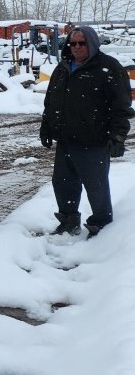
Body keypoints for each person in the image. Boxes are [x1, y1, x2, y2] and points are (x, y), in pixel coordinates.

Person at [39, 25, 133, 236]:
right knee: (63, 184)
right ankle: (68, 220)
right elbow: (51, 102)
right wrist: (46, 128)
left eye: (82, 43)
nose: (77, 47)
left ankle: (100, 225)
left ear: (92, 43)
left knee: (96, 187)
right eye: (73, 43)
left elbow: (121, 107)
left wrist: (118, 137)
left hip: (94, 141)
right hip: (65, 140)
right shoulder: (62, 68)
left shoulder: (109, 68)